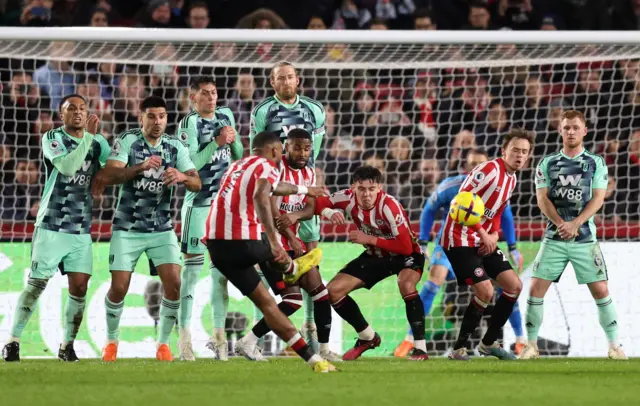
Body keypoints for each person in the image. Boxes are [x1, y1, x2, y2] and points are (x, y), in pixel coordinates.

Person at [205, 131, 336, 372]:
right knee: (277, 258)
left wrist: (306, 191)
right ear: (276, 150)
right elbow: (262, 195)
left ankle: (315, 361)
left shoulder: (238, 164)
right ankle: (292, 267)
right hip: (242, 240)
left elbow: (276, 188)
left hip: (216, 246)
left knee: (271, 306)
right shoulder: (267, 165)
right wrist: (275, 242)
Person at [92, 96, 202, 362]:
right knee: (119, 287)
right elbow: (108, 176)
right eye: (151, 116)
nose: (157, 121)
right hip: (127, 227)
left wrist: (182, 177)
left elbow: (197, 183)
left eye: (162, 116)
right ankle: (111, 341)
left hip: (162, 228)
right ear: (141, 118)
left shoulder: (175, 146)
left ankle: (163, 344)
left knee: (174, 283)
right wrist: (139, 167)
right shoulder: (127, 141)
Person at [2, 95, 110, 362]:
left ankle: (67, 345)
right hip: (52, 223)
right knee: (37, 284)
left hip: (81, 226)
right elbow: (68, 167)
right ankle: (13, 341)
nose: (78, 113)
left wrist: (105, 181)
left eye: (83, 108)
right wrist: (89, 138)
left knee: (80, 287)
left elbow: (112, 169)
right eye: (71, 109)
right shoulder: (53, 138)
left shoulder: (100, 143)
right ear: (61, 115)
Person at [394, 149, 526, 358]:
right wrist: (423, 241)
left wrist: (510, 246)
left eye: (480, 163)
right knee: (435, 280)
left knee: (508, 286)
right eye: (473, 163)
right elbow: (429, 209)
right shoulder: (453, 186)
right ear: (467, 165)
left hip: (480, 242)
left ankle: (519, 339)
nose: (478, 168)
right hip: (453, 240)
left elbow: (505, 215)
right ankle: (411, 339)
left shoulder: (504, 183)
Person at [520, 110, 627, 360]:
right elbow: (541, 198)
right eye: (566, 127)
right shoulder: (547, 163)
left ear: (584, 131)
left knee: (601, 290)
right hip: (555, 237)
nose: (570, 131)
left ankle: (614, 345)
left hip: (584, 238)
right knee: (535, 288)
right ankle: (531, 345)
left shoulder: (596, 162)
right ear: (560, 130)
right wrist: (561, 223)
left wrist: (576, 223)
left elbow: (598, 198)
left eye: (575, 127)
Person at [313, 165, 429, 361]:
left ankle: (420, 348)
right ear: (353, 188)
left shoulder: (389, 206)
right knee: (332, 291)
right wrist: (328, 213)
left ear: (379, 188)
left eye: (371, 189)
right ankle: (367, 337)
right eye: (361, 189)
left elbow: (405, 247)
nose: (366, 194)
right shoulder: (346, 198)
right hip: (375, 256)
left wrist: (369, 239)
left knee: (406, 284)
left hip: (406, 256)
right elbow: (317, 203)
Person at [249, 61, 326, 348]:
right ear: (272, 82)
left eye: (290, 77)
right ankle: (269, 336)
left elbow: (317, 153)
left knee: (311, 263)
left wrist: (314, 190)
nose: (286, 82)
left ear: (298, 79)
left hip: (303, 186)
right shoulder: (262, 111)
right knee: (281, 271)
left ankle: (311, 327)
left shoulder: (314, 109)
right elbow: (255, 148)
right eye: (280, 78)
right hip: (275, 186)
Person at [442, 128, 534, 361]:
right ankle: (458, 349)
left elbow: (498, 210)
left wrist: (493, 234)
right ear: (504, 151)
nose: (520, 155)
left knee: (514, 286)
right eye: (515, 150)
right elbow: (460, 202)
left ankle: (488, 344)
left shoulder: (511, 179)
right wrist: (483, 233)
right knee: (486, 290)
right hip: (458, 239)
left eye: (524, 152)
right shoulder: (489, 170)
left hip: (481, 238)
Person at [175, 76, 243, 362]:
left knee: (220, 276)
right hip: (198, 206)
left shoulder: (226, 115)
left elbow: (238, 156)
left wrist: (234, 141)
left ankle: (219, 341)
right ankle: (184, 340)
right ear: (194, 98)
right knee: (190, 274)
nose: (211, 98)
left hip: (224, 207)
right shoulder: (188, 124)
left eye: (214, 93)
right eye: (204, 94)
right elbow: (190, 165)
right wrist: (217, 142)